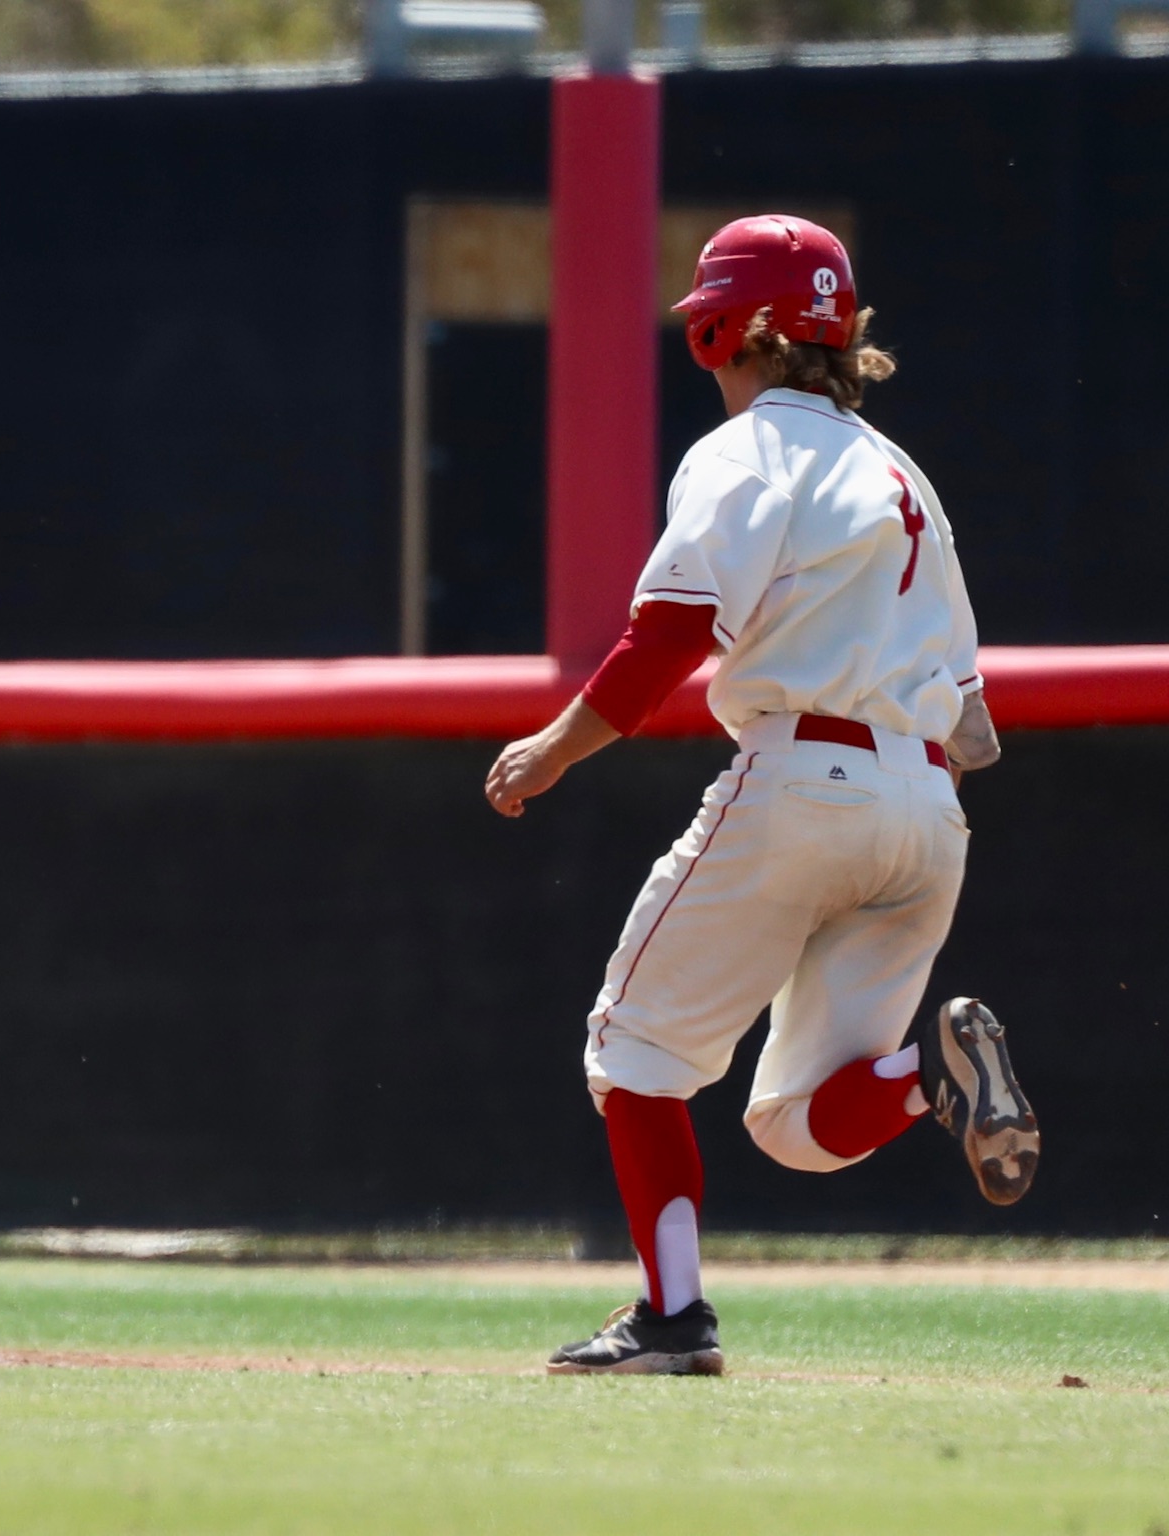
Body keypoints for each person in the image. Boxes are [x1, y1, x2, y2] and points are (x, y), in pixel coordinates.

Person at [483, 215, 1039, 1376]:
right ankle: (931, 1084)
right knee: (799, 1127)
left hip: (802, 774)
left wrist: (553, 746)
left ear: (733, 331)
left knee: (632, 1051)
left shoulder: (745, 452)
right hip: (930, 805)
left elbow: (668, 635)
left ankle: (674, 1322)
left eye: (709, 327)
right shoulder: (905, 477)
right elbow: (974, 717)